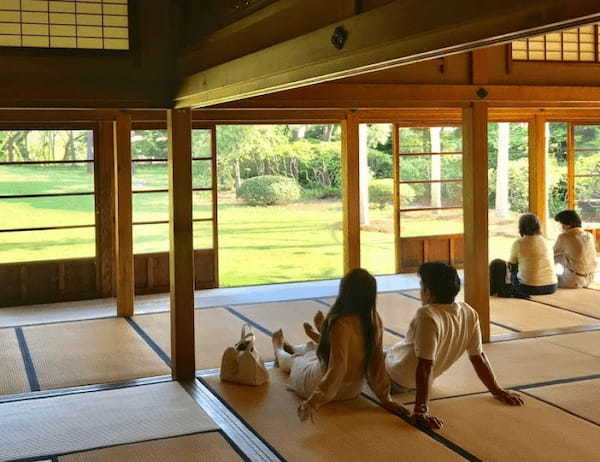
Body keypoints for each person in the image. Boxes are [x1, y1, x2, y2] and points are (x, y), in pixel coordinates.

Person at [385, 262, 524, 429]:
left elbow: (424, 365)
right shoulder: (468, 312)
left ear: (428, 292)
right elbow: (478, 357)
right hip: (420, 380)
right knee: (388, 351)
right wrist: (497, 390)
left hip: (396, 377)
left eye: (421, 287)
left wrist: (420, 409)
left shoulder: (427, 315)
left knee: (366, 353)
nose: (420, 292)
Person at [272, 268, 409, 423]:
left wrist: (314, 401)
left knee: (293, 362)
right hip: (353, 390)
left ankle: (279, 349)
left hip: (321, 384)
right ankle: (305, 345)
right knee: (313, 353)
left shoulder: (341, 323)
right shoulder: (374, 320)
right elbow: (377, 364)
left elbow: (338, 368)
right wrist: (386, 398)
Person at [507, 213, 557, 296]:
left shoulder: (519, 243)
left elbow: (512, 264)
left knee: (512, 270)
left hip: (529, 287)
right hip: (552, 286)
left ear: (521, 227)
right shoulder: (546, 241)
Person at [553, 210, 597, 288]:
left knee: (556, 257)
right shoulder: (589, 235)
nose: (559, 226)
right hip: (590, 279)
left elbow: (552, 255)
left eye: (560, 223)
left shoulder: (564, 236)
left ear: (567, 224)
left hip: (573, 281)